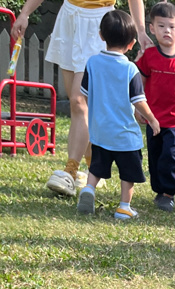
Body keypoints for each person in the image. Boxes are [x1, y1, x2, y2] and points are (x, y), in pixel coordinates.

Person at [11, 0, 150, 198]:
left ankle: (70, 172)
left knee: (79, 101)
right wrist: (25, 13)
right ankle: (94, 168)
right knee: (77, 104)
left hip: (99, 23)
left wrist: (141, 30)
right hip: (69, 18)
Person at [75, 10, 159, 220]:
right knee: (128, 173)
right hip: (125, 135)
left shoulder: (92, 63)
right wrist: (152, 119)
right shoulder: (130, 69)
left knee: (97, 167)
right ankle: (124, 207)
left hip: (100, 132)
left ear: (101, 35)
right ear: (131, 44)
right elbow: (138, 101)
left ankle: (89, 189)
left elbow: (84, 94)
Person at [135, 2, 175, 213]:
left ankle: (168, 194)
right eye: (161, 26)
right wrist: (139, 108)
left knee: (170, 154)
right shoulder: (148, 57)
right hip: (153, 118)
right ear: (152, 28)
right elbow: (140, 84)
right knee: (155, 155)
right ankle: (159, 190)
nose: (167, 31)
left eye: (171, 27)